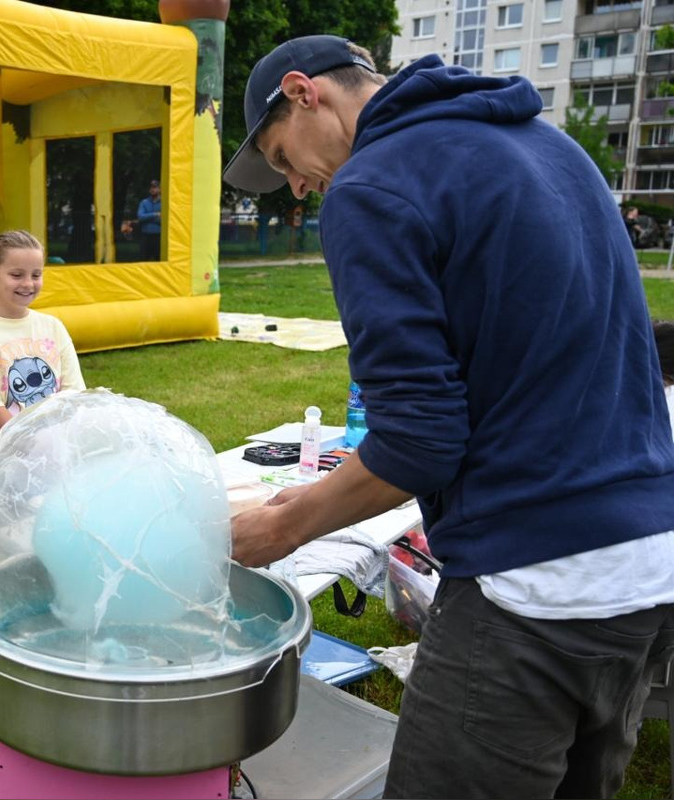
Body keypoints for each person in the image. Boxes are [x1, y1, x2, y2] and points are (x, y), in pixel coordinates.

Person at [223, 34, 674, 799]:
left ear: (305, 93)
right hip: (649, 562)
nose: (294, 188)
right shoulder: (550, 147)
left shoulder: (373, 187)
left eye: (280, 155)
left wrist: (277, 531)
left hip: (535, 581)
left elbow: (418, 442)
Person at [0, 230, 86, 506]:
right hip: (4, 460)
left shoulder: (53, 326)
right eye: (16, 275)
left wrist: (53, 449)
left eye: (36, 274)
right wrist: (33, 447)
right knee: (5, 541)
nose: (28, 283)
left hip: (54, 455)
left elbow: (73, 392)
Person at [137, 179, 162, 261]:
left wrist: (147, 218)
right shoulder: (144, 202)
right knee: (143, 260)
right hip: (145, 237)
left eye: (155, 187)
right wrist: (155, 214)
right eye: (151, 187)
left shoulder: (163, 202)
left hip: (158, 236)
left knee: (158, 260)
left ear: (159, 189)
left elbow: (163, 220)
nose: (152, 189)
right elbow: (140, 217)